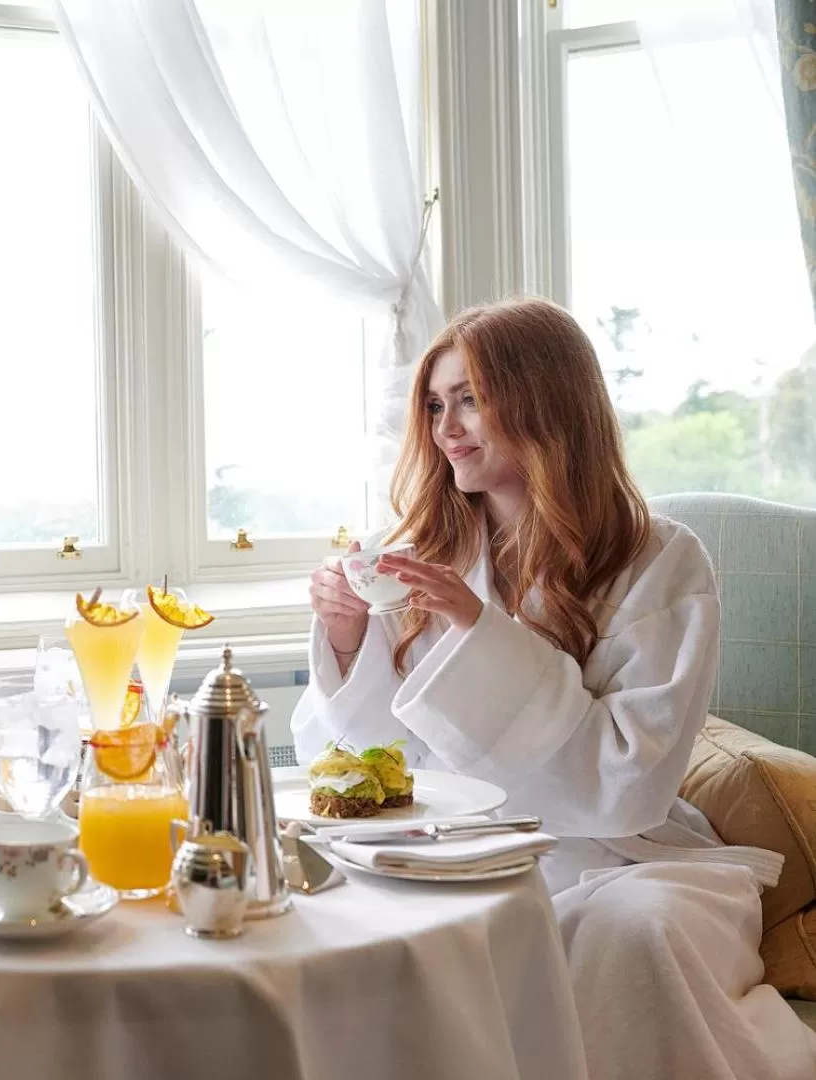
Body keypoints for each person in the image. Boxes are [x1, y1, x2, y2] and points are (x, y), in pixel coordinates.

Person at [290, 297, 816, 1080]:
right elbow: (368, 766)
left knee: (636, 933)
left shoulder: (662, 560)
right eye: (435, 404)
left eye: (471, 398)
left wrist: (480, 633)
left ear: (546, 398)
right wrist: (343, 641)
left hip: (622, 856)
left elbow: (632, 779)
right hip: (447, 846)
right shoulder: (414, 554)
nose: (446, 427)